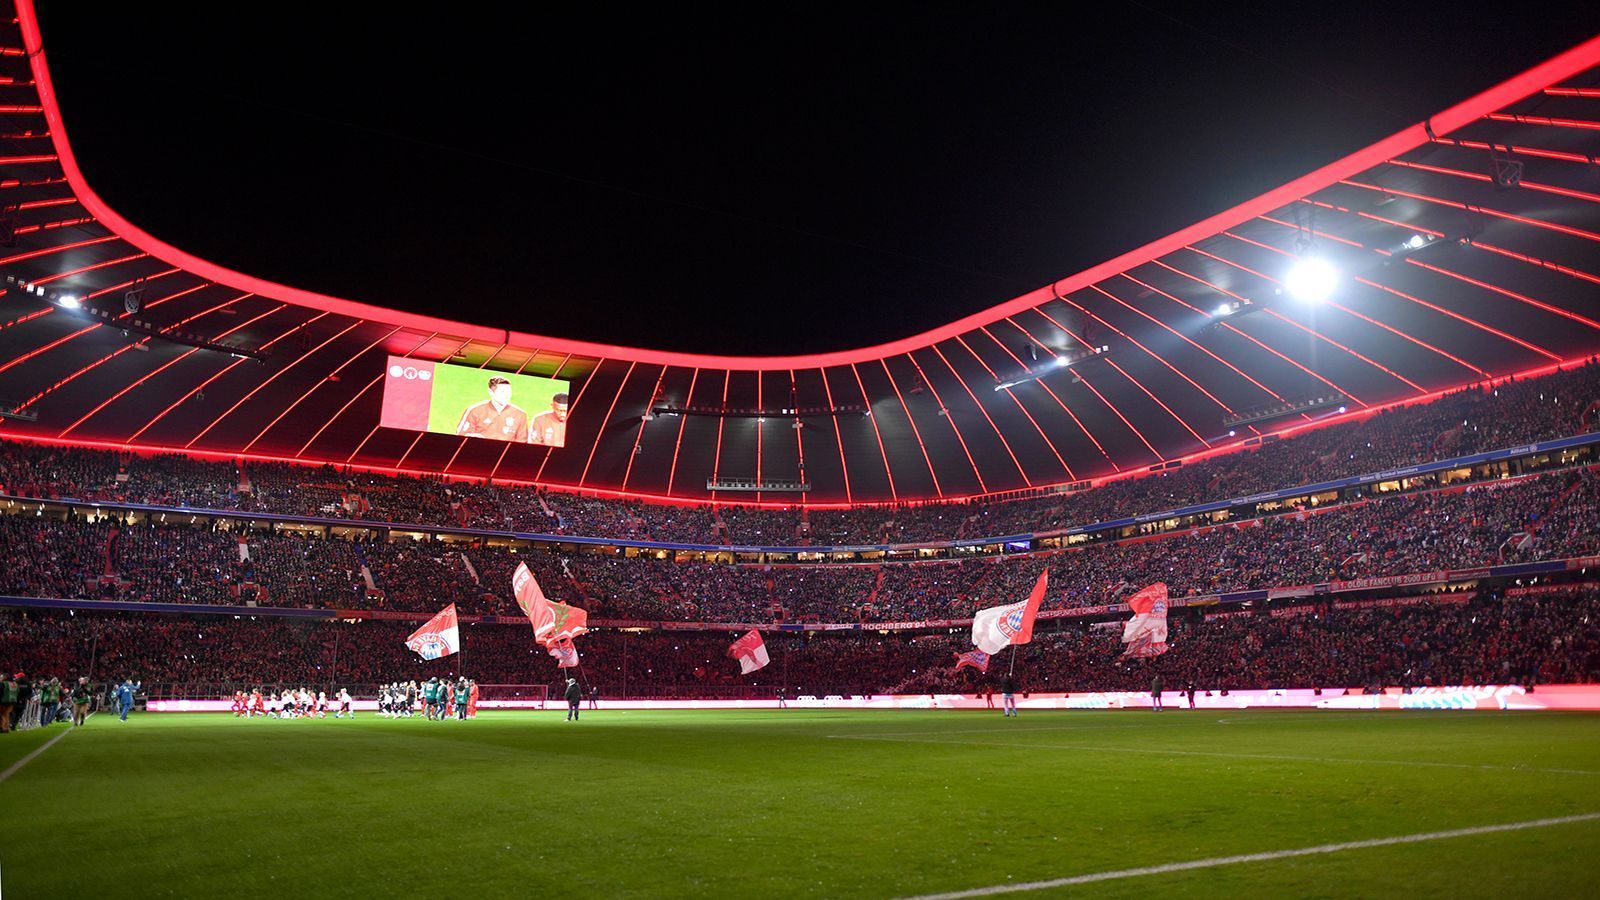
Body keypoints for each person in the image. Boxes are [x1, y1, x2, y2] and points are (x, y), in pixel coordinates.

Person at [457, 376, 530, 442]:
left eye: (508, 391)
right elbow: (462, 435)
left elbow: (522, 441)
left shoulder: (520, 414)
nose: (506, 395)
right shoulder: (474, 410)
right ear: (491, 392)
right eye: (502, 391)